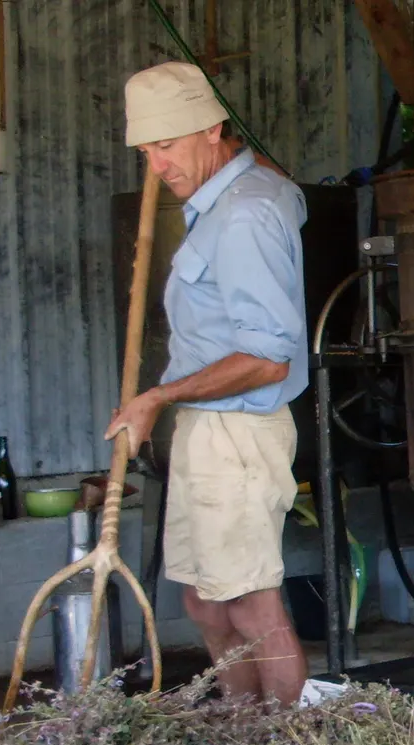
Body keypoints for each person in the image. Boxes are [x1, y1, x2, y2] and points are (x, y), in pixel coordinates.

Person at [108, 61, 308, 705]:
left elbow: (269, 357)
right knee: (203, 598)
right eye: (147, 150)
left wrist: (156, 396)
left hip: (239, 432)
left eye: (166, 146)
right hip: (208, 428)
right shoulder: (228, 199)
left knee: (249, 600)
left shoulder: (245, 215)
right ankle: (245, 732)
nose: (157, 166)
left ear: (212, 127)